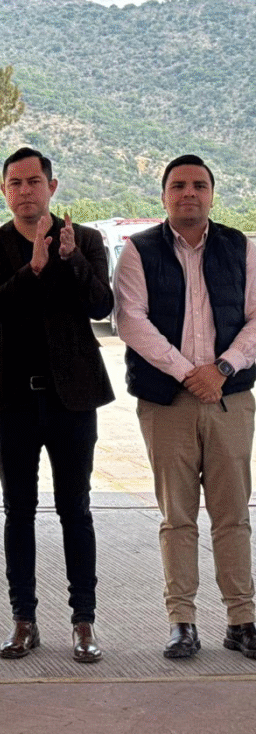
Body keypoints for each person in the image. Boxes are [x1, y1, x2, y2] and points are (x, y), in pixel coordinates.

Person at [0, 147, 114, 663]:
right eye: (15, 183)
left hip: (72, 397)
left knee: (76, 509)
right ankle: (23, 621)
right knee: (18, 510)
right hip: (11, 397)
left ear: (52, 186)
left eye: (34, 181)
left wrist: (71, 260)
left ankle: (83, 621)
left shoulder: (85, 240)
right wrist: (32, 269)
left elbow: (101, 305)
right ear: (4, 191)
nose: (25, 191)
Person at [114, 154, 256, 660]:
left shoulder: (241, 247)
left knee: (232, 514)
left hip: (229, 399)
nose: (188, 193)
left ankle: (242, 620)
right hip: (166, 403)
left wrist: (222, 368)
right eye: (178, 185)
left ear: (212, 195)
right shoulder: (138, 250)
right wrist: (188, 373)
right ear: (164, 196)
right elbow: (131, 321)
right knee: (177, 516)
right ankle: (182, 622)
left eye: (198, 185)